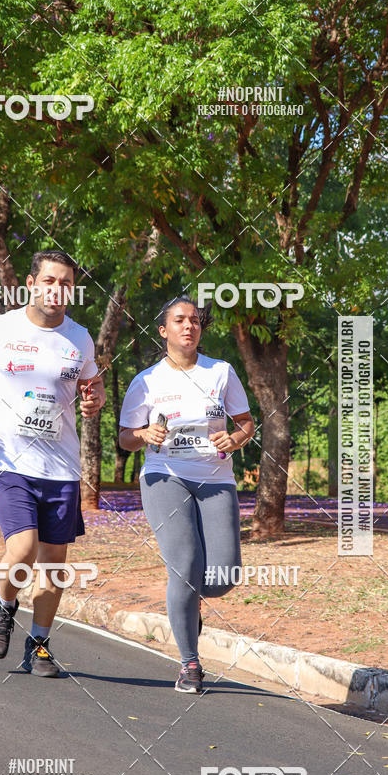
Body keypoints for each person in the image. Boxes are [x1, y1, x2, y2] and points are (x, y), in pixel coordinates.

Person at [0, 250, 105, 677]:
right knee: (21, 547)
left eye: (67, 284)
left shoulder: (80, 338)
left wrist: (95, 400)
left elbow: (93, 383)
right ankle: (3, 606)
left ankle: (38, 644)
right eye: (51, 281)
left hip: (61, 465)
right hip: (8, 459)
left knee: (54, 563)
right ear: (32, 282)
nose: (58, 290)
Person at [119, 296, 254, 693]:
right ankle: (189, 663)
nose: (188, 326)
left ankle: (190, 601)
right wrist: (144, 434)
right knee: (185, 564)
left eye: (195, 321)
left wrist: (233, 439)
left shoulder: (221, 372)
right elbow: (126, 438)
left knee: (223, 575)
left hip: (215, 478)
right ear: (164, 331)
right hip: (165, 476)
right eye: (179, 320)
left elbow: (246, 424)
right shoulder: (146, 381)